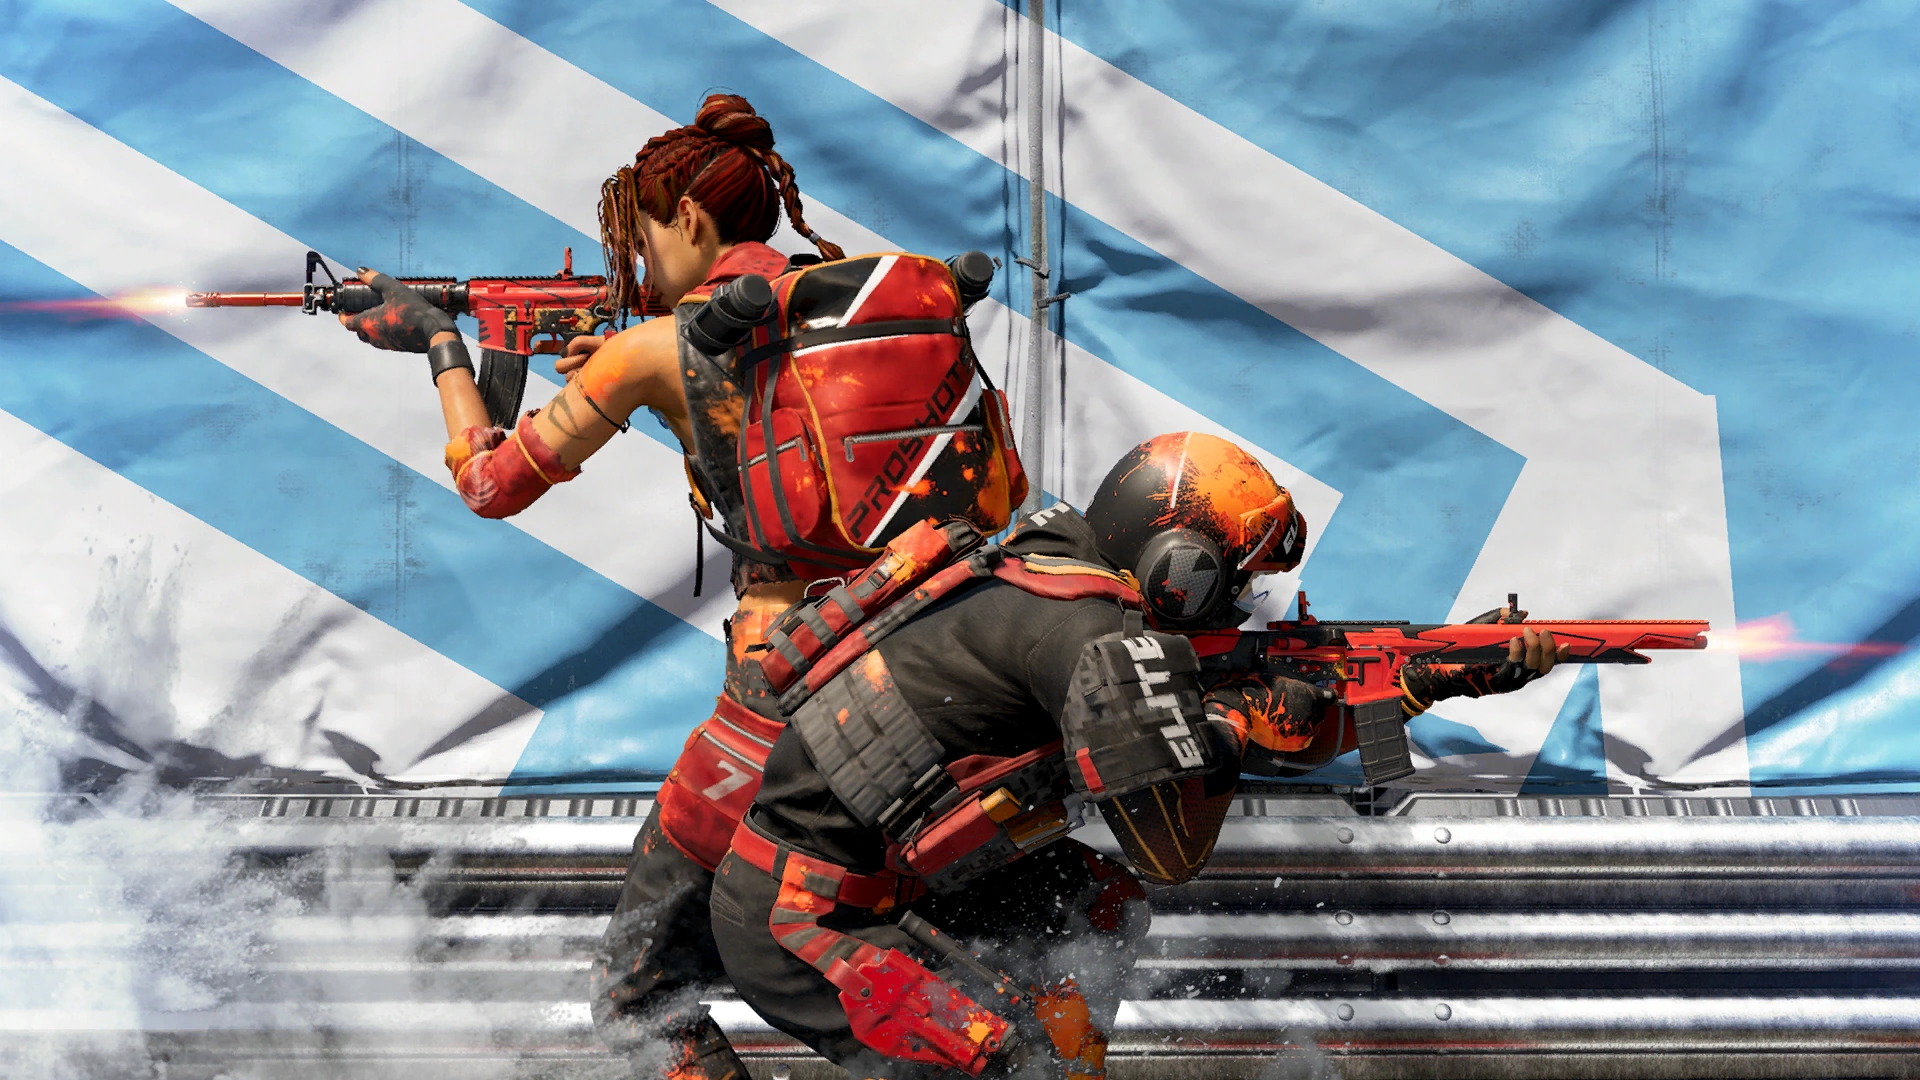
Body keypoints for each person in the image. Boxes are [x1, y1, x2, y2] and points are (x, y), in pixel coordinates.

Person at [707, 432, 1568, 1079]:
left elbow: (1252, 741)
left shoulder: (1055, 574)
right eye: (1232, 578)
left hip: (914, 876)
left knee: (1101, 906)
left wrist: (1417, 686)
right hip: (803, 916)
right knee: (1002, 1060)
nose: (1243, 600)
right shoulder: (1093, 640)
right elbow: (1171, 850)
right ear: (1178, 570)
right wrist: (1234, 723)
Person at [332, 94, 844, 1080]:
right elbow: (782, 441)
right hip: (927, 635)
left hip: (786, 680)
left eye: (641, 242)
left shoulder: (654, 348)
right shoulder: (851, 309)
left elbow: (491, 485)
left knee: (637, 994)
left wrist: (441, 343)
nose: (638, 270)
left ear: (687, 219)